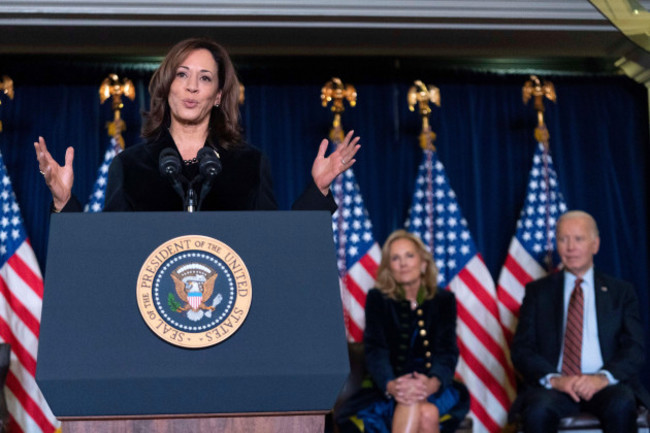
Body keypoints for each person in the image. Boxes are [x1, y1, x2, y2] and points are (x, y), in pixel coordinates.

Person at [34, 37, 360, 212]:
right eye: (182, 75)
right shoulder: (129, 165)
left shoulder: (249, 164)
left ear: (218, 95)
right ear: (166, 86)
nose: (192, 87)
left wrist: (318, 191)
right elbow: (107, 253)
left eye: (204, 78)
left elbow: (274, 247)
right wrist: (64, 203)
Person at [510, 210, 650, 433]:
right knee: (537, 410)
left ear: (595, 245)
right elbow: (522, 349)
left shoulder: (620, 292)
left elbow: (634, 348)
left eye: (578, 239)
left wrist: (602, 378)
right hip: (555, 387)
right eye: (563, 239)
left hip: (606, 385)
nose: (570, 247)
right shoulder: (538, 292)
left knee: (622, 403)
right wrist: (555, 380)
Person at [338, 230, 469, 433]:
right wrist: (392, 386)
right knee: (426, 413)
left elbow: (447, 351)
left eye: (409, 255)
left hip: (434, 385)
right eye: (395, 258)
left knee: (423, 407)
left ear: (423, 263)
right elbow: (376, 350)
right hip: (389, 386)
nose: (403, 263)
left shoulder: (444, 301)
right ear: (389, 268)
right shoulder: (377, 299)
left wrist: (432, 383)